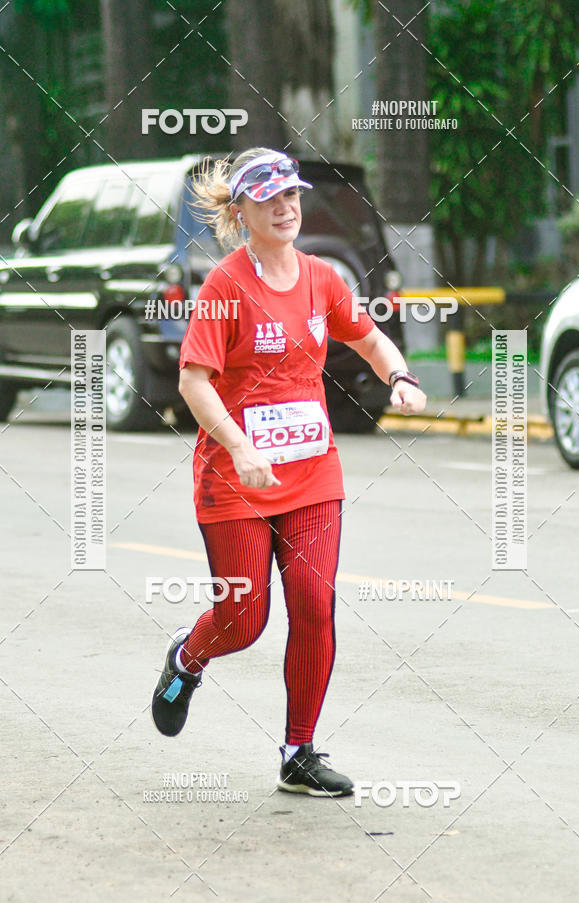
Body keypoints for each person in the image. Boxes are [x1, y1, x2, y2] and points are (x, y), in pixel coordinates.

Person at [151, 147, 427, 797]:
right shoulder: (224, 286)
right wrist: (242, 447)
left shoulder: (323, 278)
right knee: (243, 619)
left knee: (313, 604)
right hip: (236, 476)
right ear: (242, 211)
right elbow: (194, 383)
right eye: (269, 198)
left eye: (293, 196)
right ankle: (186, 660)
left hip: (311, 474)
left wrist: (400, 375)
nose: (285, 207)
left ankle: (298, 752)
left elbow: (368, 337)